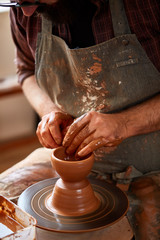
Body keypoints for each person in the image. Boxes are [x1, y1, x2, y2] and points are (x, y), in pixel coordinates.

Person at [9, 0, 160, 239]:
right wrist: (49, 110)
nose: (25, 11)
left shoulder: (144, 6)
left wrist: (124, 123)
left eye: (31, 0)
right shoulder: (24, 9)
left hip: (153, 167)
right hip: (71, 165)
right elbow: (26, 70)